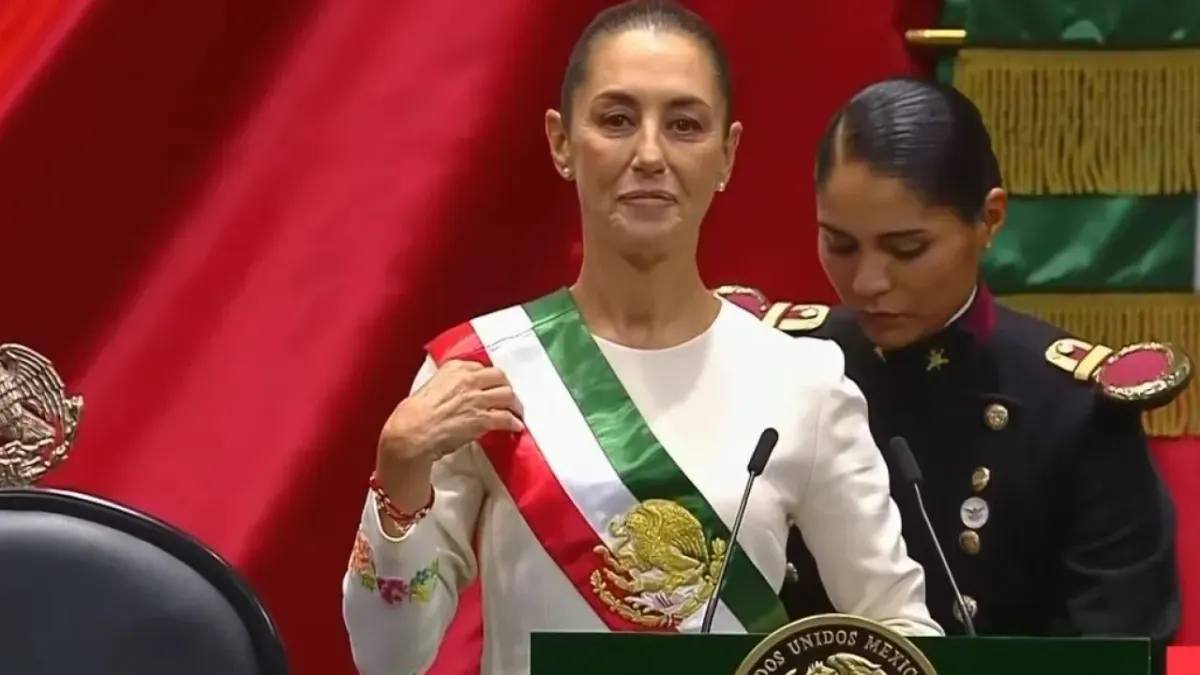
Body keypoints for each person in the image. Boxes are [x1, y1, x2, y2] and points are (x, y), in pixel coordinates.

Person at [341, 5, 943, 675]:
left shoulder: (803, 381)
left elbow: (902, 633)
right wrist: (399, 472)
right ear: (562, 142)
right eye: (617, 120)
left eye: (684, 125)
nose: (650, 154)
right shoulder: (480, 371)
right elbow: (386, 657)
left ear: (727, 154)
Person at [720, 77, 1186, 650]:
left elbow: (1118, 647)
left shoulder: (1072, 410)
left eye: (907, 249)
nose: (867, 282)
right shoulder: (774, 364)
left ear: (989, 219)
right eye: (839, 244)